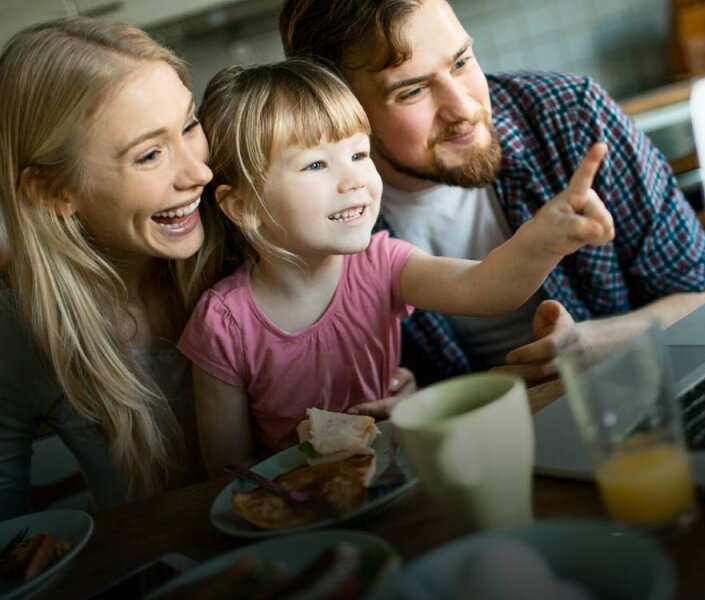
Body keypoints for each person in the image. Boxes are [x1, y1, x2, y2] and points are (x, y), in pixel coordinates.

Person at [178, 59, 613, 475]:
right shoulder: (223, 324)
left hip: (398, 478)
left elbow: (484, 287)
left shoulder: (379, 262)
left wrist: (543, 239)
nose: (353, 180)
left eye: (358, 154)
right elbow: (229, 472)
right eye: (315, 164)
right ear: (243, 206)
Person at [278, 0, 705, 401]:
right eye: (412, 91)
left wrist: (599, 343)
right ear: (338, 108)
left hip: (636, 408)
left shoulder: (571, 116)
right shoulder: (314, 224)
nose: (463, 107)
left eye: (462, 62)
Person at [0, 17, 231, 519]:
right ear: (53, 192)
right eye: (149, 155)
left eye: (189, 126)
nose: (200, 173)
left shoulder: (240, 238)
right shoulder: (20, 327)